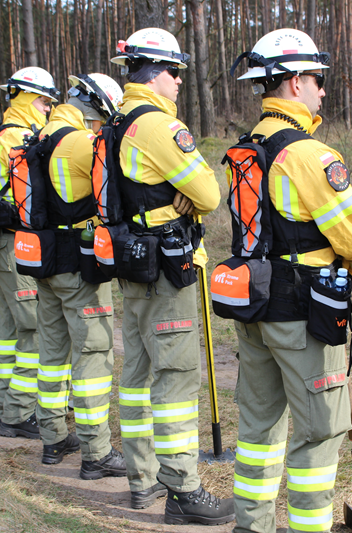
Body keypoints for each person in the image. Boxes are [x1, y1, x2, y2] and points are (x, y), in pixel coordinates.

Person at [228, 29, 352, 533]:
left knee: (258, 426)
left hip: (254, 305)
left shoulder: (246, 149)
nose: (322, 90)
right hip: (302, 314)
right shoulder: (309, 155)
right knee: (319, 431)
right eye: (317, 79)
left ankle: (250, 525)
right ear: (295, 82)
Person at [109, 28, 233, 525]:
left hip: (134, 262)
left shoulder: (117, 121)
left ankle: (142, 479)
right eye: (174, 71)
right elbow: (209, 194)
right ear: (154, 73)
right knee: (176, 377)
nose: (180, 80)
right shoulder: (158, 126)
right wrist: (188, 196)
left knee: (137, 373)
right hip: (166, 269)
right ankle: (183, 489)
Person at [27, 73, 127, 480]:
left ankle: (53, 438)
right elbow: (118, 186)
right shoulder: (81, 142)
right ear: (96, 108)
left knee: (52, 352)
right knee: (92, 354)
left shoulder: (40, 135)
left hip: (44, 258)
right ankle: (96, 452)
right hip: (77, 263)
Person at [0, 67, 57, 437]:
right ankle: (18, 413)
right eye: (45, 101)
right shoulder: (18, 136)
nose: (48, 109)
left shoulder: (3, 132)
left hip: (4, 243)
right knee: (33, 328)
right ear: (29, 98)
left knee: (12, 329)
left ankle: (8, 402)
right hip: (18, 242)